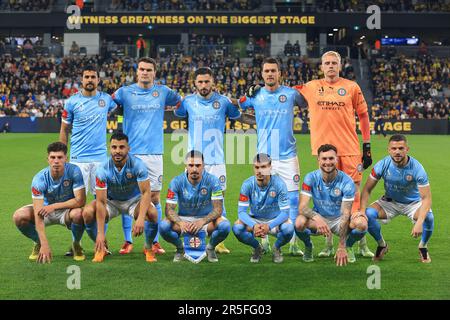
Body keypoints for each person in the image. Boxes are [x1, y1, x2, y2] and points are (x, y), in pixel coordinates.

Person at [294, 50, 374, 258]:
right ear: (321, 66)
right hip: (324, 153)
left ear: (340, 65)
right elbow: (283, 91)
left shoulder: (351, 87)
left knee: (353, 195)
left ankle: (360, 242)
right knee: (328, 196)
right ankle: (330, 243)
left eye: (334, 63)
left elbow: (364, 116)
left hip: (349, 150)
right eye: (326, 63)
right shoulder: (311, 87)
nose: (330, 66)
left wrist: (367, 145)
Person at [113, 57, 182, 255]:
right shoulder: (125, 92)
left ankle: (154, 242)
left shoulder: (163, 92)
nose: (145, 72)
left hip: (154, 153)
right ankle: (128, 241)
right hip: (130, 153)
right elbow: (108, 102)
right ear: (137, 72)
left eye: (148, 70)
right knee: (127, 197)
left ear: (154, 72)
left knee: (154, 197)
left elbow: (180, 103)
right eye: (142, 69)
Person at [238, 57, 306, 256]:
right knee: (265, 201)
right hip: (264, 157)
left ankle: (292, 243)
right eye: (266, 71)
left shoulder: (291, 94)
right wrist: (246, 94)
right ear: (262, 74)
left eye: (273, 71)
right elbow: (240, 106)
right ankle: (265, 240)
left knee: (292, 201)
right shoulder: (256, 95)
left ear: (280, 73)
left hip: (288, 156)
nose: (269, 74)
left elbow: (306, 101)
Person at [174, 67, 241, 254]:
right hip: (193, 159)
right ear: (195, 83)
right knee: (189, 197)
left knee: (220, 198)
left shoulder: (223, 102)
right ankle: (189, 233)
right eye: (200, 82)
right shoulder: (188, 102)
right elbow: (178, 112)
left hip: (216, 160)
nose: (203, 85)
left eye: (206, 81)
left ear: (213, 82)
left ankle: (218, 240)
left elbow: (237, 113)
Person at [60, 65, 116, 255]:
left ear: (98, 80)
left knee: (101, 202)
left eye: (93, 77)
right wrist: (62, 154)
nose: (90, 80)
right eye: (86, 77)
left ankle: (102, 243)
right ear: (81, 80)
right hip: (78, 159)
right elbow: (64, 129)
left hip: (100, 160)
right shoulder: (71, 102)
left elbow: (120, 110)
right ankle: (76, 243)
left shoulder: (106, 100)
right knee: (78, 204)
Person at [82, 133, 159, 263]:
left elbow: (146, 193)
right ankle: (101, 248)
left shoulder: (138, 165)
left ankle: (148, 247)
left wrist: (140, 219)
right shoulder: (102, 169)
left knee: (153, 214)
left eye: (121, 147)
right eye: (114, 147)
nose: (117, 151)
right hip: (111, 202)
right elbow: (100, 201)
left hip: (133, 201)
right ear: (109, 148)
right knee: (87, 213)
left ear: (128, 148)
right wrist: (100, 233)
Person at [360, 134, 434, 263]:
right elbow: (367, 189)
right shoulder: (382, 165)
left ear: (407, 149)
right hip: (390, 202)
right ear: (389, 150)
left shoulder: (417, 168)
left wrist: (419, 222)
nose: (397, 152)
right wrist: (361, 211)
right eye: (394, 149)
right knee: (368, 214)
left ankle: (423, 246)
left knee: (428, 217)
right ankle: (382, 245)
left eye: (401, 148)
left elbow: (426, 198)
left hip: (413, 203)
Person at [13, 142, 86, 263]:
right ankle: (38, 243)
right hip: (44, 211)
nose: (56, 161)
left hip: (67, 211)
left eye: (60, 157)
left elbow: (81, 201)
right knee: (19, 216)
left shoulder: (74, 171)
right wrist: (44, 244)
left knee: (79, 214)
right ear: (48, 159)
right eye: (53, 157)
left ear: (65, 159)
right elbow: (38, 213)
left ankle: (76, 245)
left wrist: (54, 206)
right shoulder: (39, 179)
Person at [295, 144, 368, 266]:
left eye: (331, 158)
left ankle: (348, 246)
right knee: (299, 223)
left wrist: (341, 246)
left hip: (339, 220)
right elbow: (302, 207)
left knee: (362, 224)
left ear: (337, 159)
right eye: (324, 159)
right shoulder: (310, 178)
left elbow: (345, 214)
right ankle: (308, 246)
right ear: (318, 160)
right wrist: (317, 218)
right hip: (319, 219)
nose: (327, 162)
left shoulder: (347, 181)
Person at [159, 151, 231, 263]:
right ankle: (180, 248)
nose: (194, 169)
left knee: (225, 226)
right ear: (186, 166)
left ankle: (210, 248)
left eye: (198, 165)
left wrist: (202, 221)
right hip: (184, 220)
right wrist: (181, 223)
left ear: (203, 165)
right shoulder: (176, 182)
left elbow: (218, 209)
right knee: (163, 226)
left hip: (206, 221)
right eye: (191, 165)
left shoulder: (213, 181)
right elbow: (169, 210)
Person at [233, 153, 294, 263]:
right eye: (256, 167)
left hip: (274, 221)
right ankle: (257, 247)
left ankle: (276, 248)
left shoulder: (279, 184)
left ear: (270, 167)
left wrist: (269, 226)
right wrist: (254, 225)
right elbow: (241, 212)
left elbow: (285, 213)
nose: (259, 171)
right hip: (255, 220)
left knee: (289, 229)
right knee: (237, 228)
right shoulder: (247, 184)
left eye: (263, 167)